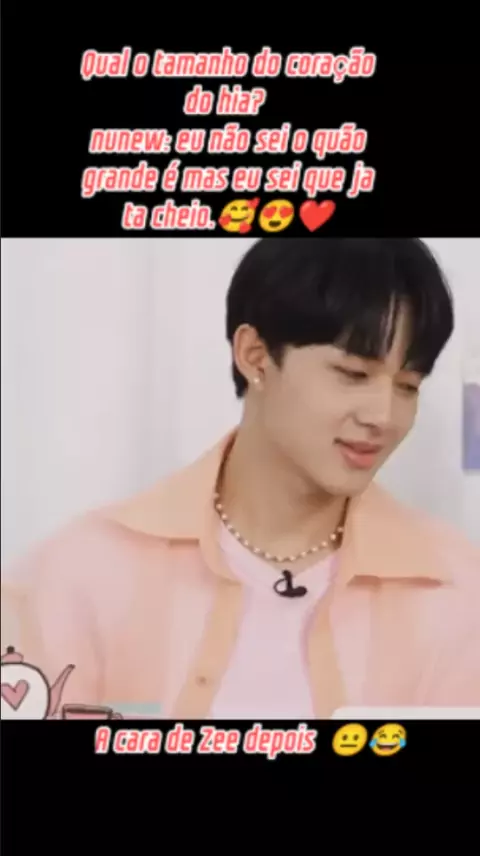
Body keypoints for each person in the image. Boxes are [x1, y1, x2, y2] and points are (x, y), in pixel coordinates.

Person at [2, 238, 480, 720]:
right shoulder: (83, 574)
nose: (384, 416)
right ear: (254, 355)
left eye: (408, 387)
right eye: (353, 374)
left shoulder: (456, 588)